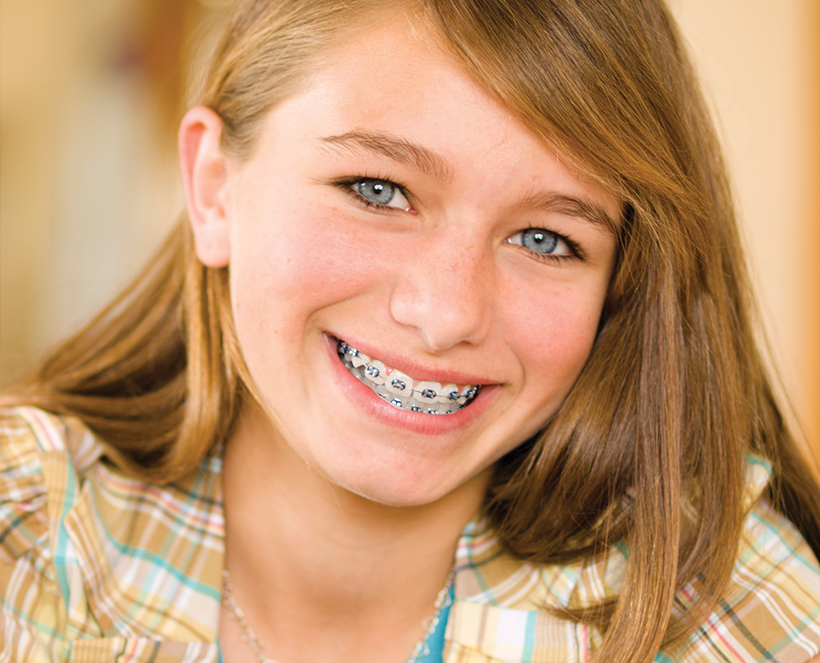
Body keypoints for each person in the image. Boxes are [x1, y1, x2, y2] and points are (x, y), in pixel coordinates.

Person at [2, 0, 819, 661]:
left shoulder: (723, 606)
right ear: (215, 188)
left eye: (546, 239)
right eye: (377, 189)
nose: (446, 312)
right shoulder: (23, 535)